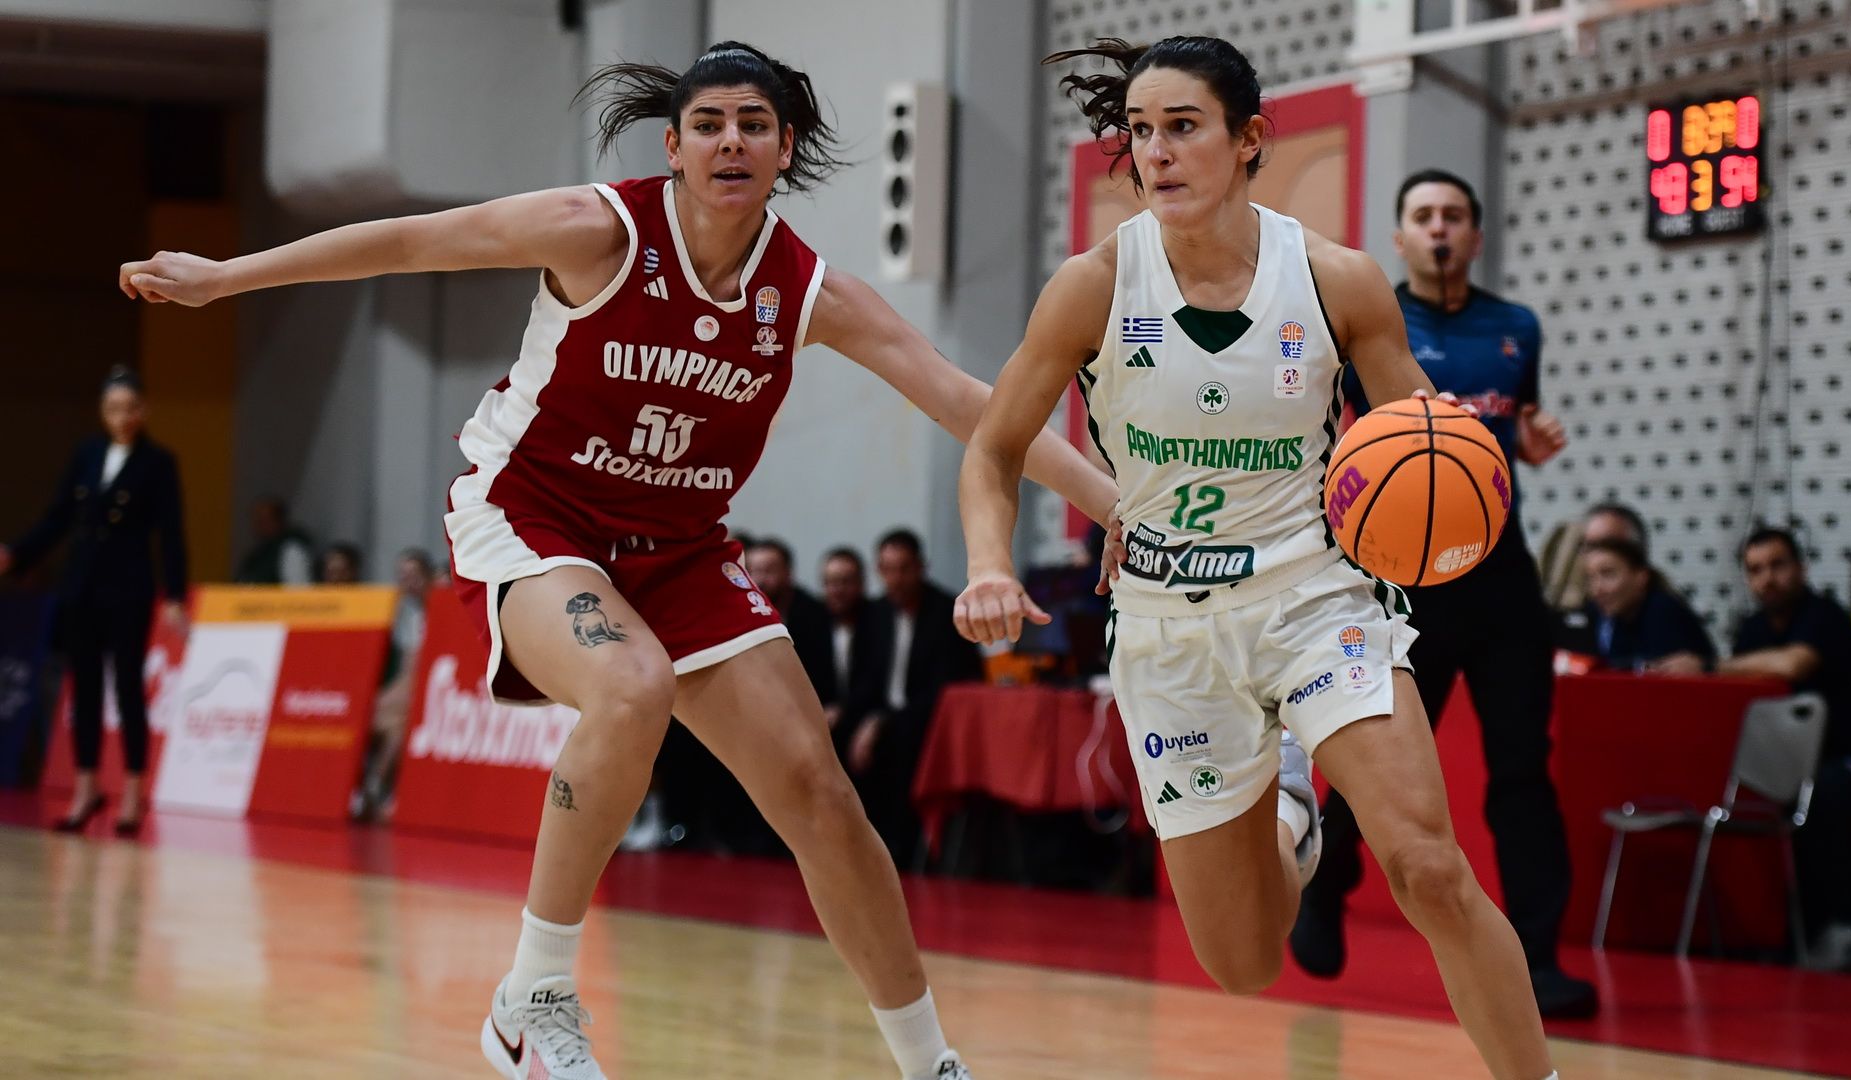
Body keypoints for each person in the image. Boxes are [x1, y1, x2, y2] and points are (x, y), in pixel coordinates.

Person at [120, 41, 1120, 1080]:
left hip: (681, 549)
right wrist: (227, 277)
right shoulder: (599, 230)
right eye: (709, 124)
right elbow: (413, 240)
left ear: (786, 148)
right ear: (673, 146)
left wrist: (1112, 506)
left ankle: (929, 1065)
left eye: (754, 125)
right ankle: (532, 1000)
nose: (731, 142)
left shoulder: (808, 292)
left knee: (821, 798)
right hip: (535, 518)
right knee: (632, 684)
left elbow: (969, 402)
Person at [955, 36, 1557, 1079]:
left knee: (1429, 868)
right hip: (1169, 630)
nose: (1156, 153)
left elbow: (1420, 434)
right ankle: (1291, 809)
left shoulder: (1335, 279)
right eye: (1140, 132)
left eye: (1183, 127)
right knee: (1242, 963)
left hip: (1314, 600)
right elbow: (993, 451)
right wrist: (988, 565)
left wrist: (1459, 461)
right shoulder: (1094, 286)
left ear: (1249, 140)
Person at [1301, 168, 1596, 1019]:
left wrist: (1527, 445)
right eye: (1424, 216)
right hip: (1405, 580)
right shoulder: (1370, 319)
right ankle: (1325, 885)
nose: (1440, 228)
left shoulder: (1517, 327)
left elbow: (1512, 428)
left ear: (1475, 235)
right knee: (1384, 766)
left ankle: (1537, 958)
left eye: (1454, 216)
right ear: (1400, 238)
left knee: (1523, 771)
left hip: (1500, 573)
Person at [0, 366, 187, 835]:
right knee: (83, 688)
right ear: (102, 412)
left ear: (143, 410)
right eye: (112, 408)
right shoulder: (87, 454)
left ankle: (133, 790)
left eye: (129, 408)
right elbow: (59, 516)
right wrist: (17, 554)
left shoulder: (158, 463)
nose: (121, 416)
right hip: (82, 585)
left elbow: (171, 533)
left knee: (127, 687)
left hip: (129, 588)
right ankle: (86, 788)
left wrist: (175, 594)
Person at [1716, 527, 1851, 971]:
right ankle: (1763, 931)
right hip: (1790, 763)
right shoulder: (1754, 630)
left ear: (1801, 567)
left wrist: (1714, 665)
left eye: (1777, 565)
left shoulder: (1824, 617)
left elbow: (1794, 663)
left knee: (1819, 799)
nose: (1768, 578)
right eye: (1756, 570)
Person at [842, 529, 983, 866]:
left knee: (901, 743)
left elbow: (944, 686)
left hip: (928, 721)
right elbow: (862, 681)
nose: (896, 579)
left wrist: (881, 722)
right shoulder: (872, 614)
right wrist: (861, 719)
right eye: (888, 570)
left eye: (904, 569)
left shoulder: (947, 613)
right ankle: (851, 847)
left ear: (921, 567)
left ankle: (906, 851)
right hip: (880, 714)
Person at [354, 547, 435, 821]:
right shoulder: (410, 617)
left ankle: (375, 787)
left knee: (398, 725)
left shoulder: (444, 608)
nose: (408, 582)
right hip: (411, 690)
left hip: (436, 692)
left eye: (414, 575)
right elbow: (407, 669)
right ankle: (364, 788)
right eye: (402, 576)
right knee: (374, 715)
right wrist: (385, 697)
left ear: (428, 576)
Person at [1576, 537, 1715, 673]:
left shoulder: (1662, 611)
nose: (1596, 589)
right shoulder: (1605, 616)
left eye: (1608, 574)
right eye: (1590, 578)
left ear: (1641, 577)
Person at [744, 536, 835, 706]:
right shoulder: (743, 612)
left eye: (769, 571)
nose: (760, 579)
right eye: (754, 571)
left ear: (788, 572)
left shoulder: (813, 614)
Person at [819, 545, 871, 724]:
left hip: (867, 720)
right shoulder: (813, 623)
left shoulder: (878, 622)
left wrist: (844, 710)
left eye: (846, 582)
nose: (838, 590)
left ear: (861, 583)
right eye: (831, 582)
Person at [235, 497, 314, 585]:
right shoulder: (260, 552)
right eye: (255, 520)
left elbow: (297, 588)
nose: (257, 525)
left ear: (278, 521)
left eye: (263, 520)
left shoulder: (292, 548)